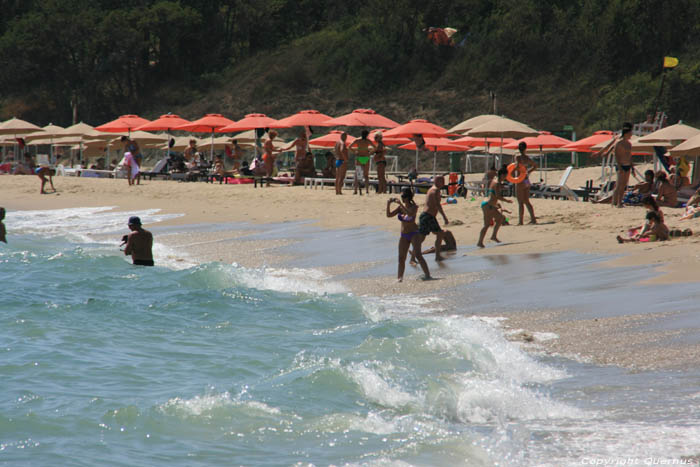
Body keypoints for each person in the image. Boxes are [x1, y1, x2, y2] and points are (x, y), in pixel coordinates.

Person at [386, 187, 431, 282]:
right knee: (401, 258)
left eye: (404, 196)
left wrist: (400, 204)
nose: (402, 198)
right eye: (402, 196)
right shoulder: (400, 208)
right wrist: (388, 204)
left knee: (418, 255)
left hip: (414, 233)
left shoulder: (414, 207)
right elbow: (389, 215)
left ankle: (428, 275)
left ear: (408, 197)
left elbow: (410, 214)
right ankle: (399, 278)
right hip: (404, 235)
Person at [595, 123, 633, 208]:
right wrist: (601, 153)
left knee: (622, 185)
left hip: (627, 164)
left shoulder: (629, 143)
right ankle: (616, 202)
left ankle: (617, 202)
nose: (632, 134)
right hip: (621, 164)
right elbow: (613, 149)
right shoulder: (619, 140)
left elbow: (629, 155)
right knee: (619, 185)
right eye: (631, 132)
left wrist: (632, 166)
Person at [477, 166, 513, 248]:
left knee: (499, 219)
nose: (506, 177)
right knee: (488, 224)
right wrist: (507, 201)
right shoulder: (496, 183)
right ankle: (481, 241)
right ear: (502, 175)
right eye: (506, 176)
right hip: (488, 205)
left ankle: (491, 237)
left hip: (489, 204)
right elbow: (497, 196)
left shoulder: (495, 181)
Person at [418, 175, 449, 261]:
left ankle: (413, 256)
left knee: (421, 237)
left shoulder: (431, 189)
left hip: (424, 216)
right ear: (437, 181)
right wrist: (444, 217)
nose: (444, 183)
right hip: (429, 216)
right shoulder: (436, 190)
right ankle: (437, 256)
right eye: (442, 181)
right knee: (439, 234)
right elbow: (437, 205)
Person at [513, 142, 537, 224]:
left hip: (520, 181)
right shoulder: (527, 158)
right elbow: (535, 165)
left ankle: (520, 221)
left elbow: (516, 166)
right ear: (525, 148)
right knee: (527, 201)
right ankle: (533, 219)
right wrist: (528, 171)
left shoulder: (517, 157)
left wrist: (513, 170)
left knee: (520, 202)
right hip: (526, 180)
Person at [349, 130, 375, 195]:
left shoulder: (358, 140)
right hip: (366, 157)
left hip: (359, 157)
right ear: (367, 135)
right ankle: (366, 191)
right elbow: (375, 147)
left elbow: (349, 147)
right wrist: (370, 153)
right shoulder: (368, 141)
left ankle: (355, 190)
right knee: (366, 175)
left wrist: (354, 152)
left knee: (357, 175)